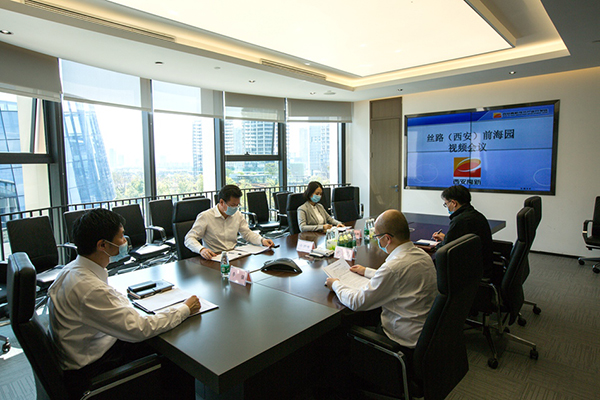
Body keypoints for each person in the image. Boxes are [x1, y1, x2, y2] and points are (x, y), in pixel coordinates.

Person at [47, 208, 201, 392]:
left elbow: (113, 300)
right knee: (177, 356)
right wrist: (184, 309)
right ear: (102, 245)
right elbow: (140, 329)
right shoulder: (89, 288)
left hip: (89, 350)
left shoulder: (73, 270)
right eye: (120, 236)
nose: (125, 241)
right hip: (92, 371)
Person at [325, 209, 437, 352]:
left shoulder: (393, 267)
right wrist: (366, 271)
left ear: (387, 238)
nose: (377, 240)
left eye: (377, 236)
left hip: (400, 340)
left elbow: (357, 302)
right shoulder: (422, 255)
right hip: (425, 334)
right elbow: (398, 276)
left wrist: (335, 284)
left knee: (343, 330)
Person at [185, 184, 275, 259]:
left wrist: (262, 240)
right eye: (232, 205)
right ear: (221, 202)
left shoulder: (237, 215)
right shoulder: (206, 216)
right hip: (214, 257)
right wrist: (201, 249)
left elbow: (247, 233)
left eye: (237, 205)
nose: (235, 208)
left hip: (233, 255)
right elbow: (189, 238)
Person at [432, 184, 495, 280]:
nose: (447, 207)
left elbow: (445, 249)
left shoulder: (460, 221)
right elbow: (459, 240)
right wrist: (445, 238)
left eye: (446, 204)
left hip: (470, 273)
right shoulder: (476, 215)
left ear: (454, 203)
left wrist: (436, 246)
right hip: (483, 266)